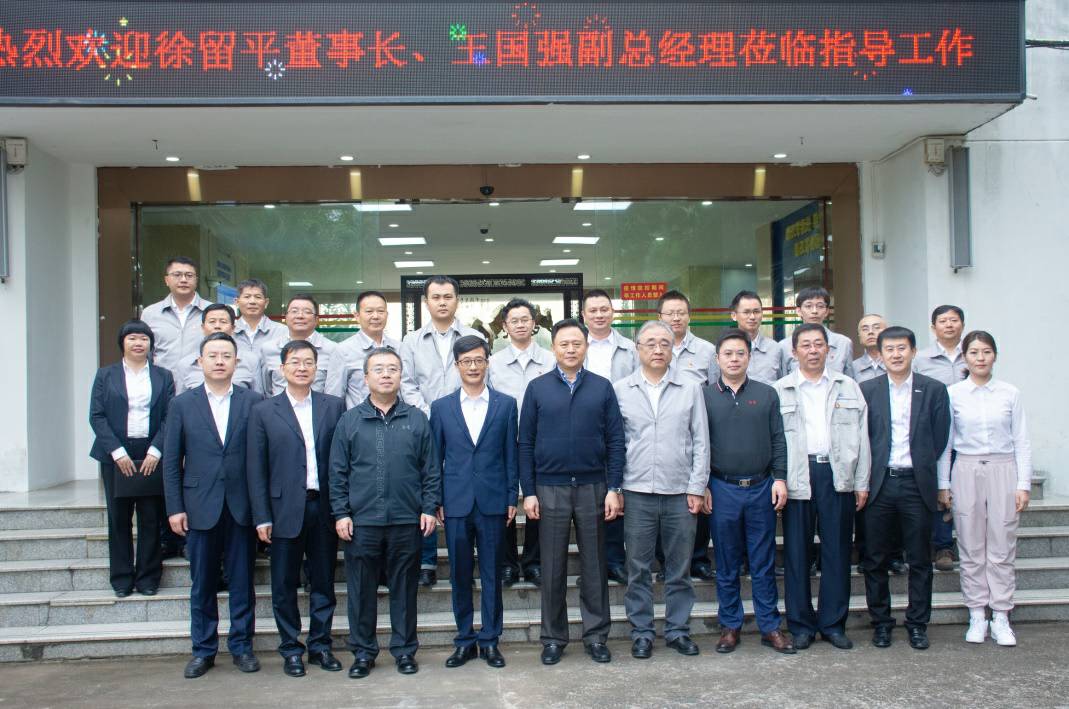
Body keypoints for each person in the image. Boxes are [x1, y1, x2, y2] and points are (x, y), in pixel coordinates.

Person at [329, 347, 441, 679]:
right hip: (362, 522)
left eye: (392, 368)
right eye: (378, 369)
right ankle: (363, 653)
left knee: (404, 590)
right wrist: (341, 513)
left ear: (401, 375)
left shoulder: (416, 419)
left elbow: (430, 470)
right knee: (361, 591)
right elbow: (338, 472)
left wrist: (429, 507)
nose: (386, 374)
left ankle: (404, 651)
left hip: (407, 520)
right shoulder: (350, 420)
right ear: (366, 378)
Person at [520, 318, 625, 665]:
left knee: (594, 565)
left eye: (576, 344)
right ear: (553, 348)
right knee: (552, 567)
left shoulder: (602, 387)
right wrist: (528, 491)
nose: (570, 349)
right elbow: (525, 442)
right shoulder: (537, 388)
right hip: (549, 488)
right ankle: (553, 638)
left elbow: (615, 440)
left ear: (586, 347)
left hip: (594, 487)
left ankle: (596, 636)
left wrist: (613, 487)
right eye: (563, 344)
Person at [162, 332, 262, 678]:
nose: (220, 361)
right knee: (202, 583)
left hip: (241, 506)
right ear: (200, 362)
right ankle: (203, 650)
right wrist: (175, 507)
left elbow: (260, 458)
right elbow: (171, 461)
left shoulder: (253, 402)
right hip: (199, 506)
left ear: (237, 362)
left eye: (226, 356)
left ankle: (242, 647)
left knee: (242, 582)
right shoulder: (182, 404)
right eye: (213, 356)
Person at [247, 340, 347, 676]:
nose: (302, 368)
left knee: (323, 582)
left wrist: (343, 508)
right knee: (284, 584)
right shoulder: (263, 411)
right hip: (282, 510)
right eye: (295, 362)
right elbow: (256, 468)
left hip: (324, 508)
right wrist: (261, 515)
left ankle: (320, 646)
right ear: (282, 368)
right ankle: (291, 649)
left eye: (308, 362)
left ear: (317, 368)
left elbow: (342, 461)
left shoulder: (333, 406)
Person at [615, 320, 709, 659]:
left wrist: (697, 487)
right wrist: (616, 487)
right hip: (636, 490)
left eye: (664, 344)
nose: (658, 349)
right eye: (650, 343)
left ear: (673, 349)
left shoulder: (690, 388)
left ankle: (677, 630)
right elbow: (616, 443)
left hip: (679, 492)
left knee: (678, 568)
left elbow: (701, 441)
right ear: (637, 349)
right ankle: (641, 632)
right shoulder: (621, 389)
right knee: (638, 568)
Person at [774, 324, 870, 650]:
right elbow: (774, 442)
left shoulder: (848, 387)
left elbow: (863, 438)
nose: (813, 350)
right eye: (806, 345)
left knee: (837, 552)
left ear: (829, 350)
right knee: (797, 554)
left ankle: (833, 624)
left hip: (837, 474)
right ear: (794, 352)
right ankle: (801, 625)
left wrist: (861, 482)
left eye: (819, 344)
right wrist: (778, 479)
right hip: (797, 476)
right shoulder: (780, 390)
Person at [860, 326, 951, 651]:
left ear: (913, 352)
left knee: (920, 559)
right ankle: (881, 623)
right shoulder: (867, 389)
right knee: (875, 559)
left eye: (902, 348)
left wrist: (939, 481)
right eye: (890, 349)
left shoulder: (934, 389)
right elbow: (862, 438)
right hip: (879, 484)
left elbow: (940, 438)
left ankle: (917, 624)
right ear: (880, 354)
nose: (896, 354)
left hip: (916, 483)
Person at [704, 328, 794, 655]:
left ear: (749, 357)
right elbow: (698, 444)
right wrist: (703, 485)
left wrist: (780, 478)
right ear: (717, 359)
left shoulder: (767, 394)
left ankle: (770, 626)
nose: (734, 359)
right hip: (722, 488)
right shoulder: (705, 396)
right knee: (727, 562)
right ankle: (730, 625)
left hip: (760, 488)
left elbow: (778, 439)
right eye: (727, 354)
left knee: (763, 561)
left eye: (740, 353)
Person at [430, 336, 518, 669]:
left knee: (493, 574)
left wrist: (511, 496)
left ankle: (490, 640)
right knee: (460, 574)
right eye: (466, 361)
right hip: (455, 502)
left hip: (493, 502)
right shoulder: (441, 407)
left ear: (487, 362)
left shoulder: (505, 405)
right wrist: (436, 499)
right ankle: (464, 640)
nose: (473, 367)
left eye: (479, 360)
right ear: (457, 365)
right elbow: (434, 458)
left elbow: (511, 454)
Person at [941, 331, 1032, 646]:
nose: (980, 358)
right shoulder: (953, 394)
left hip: (1003, 467)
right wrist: (943, 484)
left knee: (1002, 544)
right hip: (966, 468)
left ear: (995, 355)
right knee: (970, 544)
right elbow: (946, 444)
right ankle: (977, 614)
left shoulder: (1009, 393)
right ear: (964, 357)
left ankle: (1002, 615)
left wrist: (1023, 484)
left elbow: (1021, 440)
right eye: (974, 352)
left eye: (986, 352)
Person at [399, 275, 484, 587]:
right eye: (436, 297)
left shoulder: (474, 335)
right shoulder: (411, 341)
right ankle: (427, 560)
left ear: (457, 300)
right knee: (426, 487)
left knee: (466, 485)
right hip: (423, 424)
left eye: (448, 296)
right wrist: (429, 414)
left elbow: (481, 376)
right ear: (426, 302)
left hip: (467, 424)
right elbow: (406, 383)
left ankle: (470, 559)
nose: (442, 302)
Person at [89, 320, 175, 598]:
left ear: (151, 344)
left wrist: (156, 450)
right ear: (122, 343)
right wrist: (117, 452)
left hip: (151, 454)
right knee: (118, 518)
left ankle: (148, 578)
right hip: (116, 455)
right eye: (132, 338)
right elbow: (97, 416)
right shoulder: (106, 375)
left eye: (144, 339)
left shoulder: (164, 376)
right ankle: (122, 578)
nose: (138, 343)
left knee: (151, 518)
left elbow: (170, 417)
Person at [488, 298, 554, 587]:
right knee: (504, 502)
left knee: (537, 500)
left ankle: (534, 562)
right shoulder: (493, 363)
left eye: (525, 319)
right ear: (505, 326)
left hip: (542, 443)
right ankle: (507, 564)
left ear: (534, 323)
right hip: (503, 443)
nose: (520, 325)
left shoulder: (551, 360)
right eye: (513, 320)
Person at [581, 289, 637, 584]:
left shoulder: (629, 348)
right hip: (584, 431)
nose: (599, 315)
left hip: (621, 429)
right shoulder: (576, 345)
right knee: (588, 502)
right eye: (593, 310)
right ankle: (591, 566)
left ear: (612, 312)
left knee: (615, 493)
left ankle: (615, 560)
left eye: (604, 309)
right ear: (583, 315)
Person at [914, 305, 967, 572]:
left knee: (959, 489)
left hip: (967, 435)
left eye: (954, 320)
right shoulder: (921, 359)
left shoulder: (972, 354)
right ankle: (942, 544)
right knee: (938, 488)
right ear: (933, 327)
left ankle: (963, 543)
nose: (949, 325)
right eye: (943, 321)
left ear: (962, 325)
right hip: (934, 432)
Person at [325, 290, 402, 409]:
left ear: (387, 315)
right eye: (369, 311)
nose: (375, 316)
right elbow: (333, 397)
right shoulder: (343, 350)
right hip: (359, 419)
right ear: (357, 316)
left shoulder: (399, 348)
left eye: (380, 311)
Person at [142, 256, 213, 376]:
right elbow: (144, 354)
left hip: (201, 383)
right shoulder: (150, 314)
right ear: (167, 280)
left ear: (196, 280)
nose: (183, 280)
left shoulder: (213, 311)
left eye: (189, 275)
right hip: (163, 384)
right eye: (177, 275)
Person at [174, 303, 263, 394]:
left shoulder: (251, 361)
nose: (217, 326)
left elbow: (258, 398)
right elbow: (181, 400)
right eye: (212, 321)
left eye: (223, 322)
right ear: (203, 328)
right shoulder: (185, 364)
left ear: (233, 328)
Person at [260, 293, 336, 396]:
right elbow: (266, 390)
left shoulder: (332, 350)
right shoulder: (268, 349)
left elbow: (333, 392)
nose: (300, 316)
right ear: (286, 317)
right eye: (294, 311)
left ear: (316, 320)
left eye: (307, 312)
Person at [780, 287, 855, 379]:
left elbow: (849, 380)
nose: (814, 311)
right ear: (799, 311)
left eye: (820, 306)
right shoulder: (784, 346)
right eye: (808, 306)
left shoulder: (843, 343)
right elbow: (783, 381)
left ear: (827, 311)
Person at [657, 290, 716, 385]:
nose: (676, 318)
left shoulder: (708, 351)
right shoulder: (649, 351)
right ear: (660, 317)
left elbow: (715, 389)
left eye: (681, 313)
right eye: (670, 314)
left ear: (689, 316)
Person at [729, 290, 785, 385]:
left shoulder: (775, 348)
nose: (752, 317)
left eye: (756, 312)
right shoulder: (723, 349)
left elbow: (783, 384)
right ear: (734, 315)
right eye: (746, 312)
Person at [233, 278, 286, 353]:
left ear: (266, 303)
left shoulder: (282, 331)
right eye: (247, 297)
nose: (252, 301)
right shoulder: (229, 331)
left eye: (258, 297)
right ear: (237, 302)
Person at [853, 314, 888, 383]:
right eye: (865, 329)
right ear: (859, 336)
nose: (870, 332)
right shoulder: (853, 368)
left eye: (876, 327)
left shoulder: (898, 362)